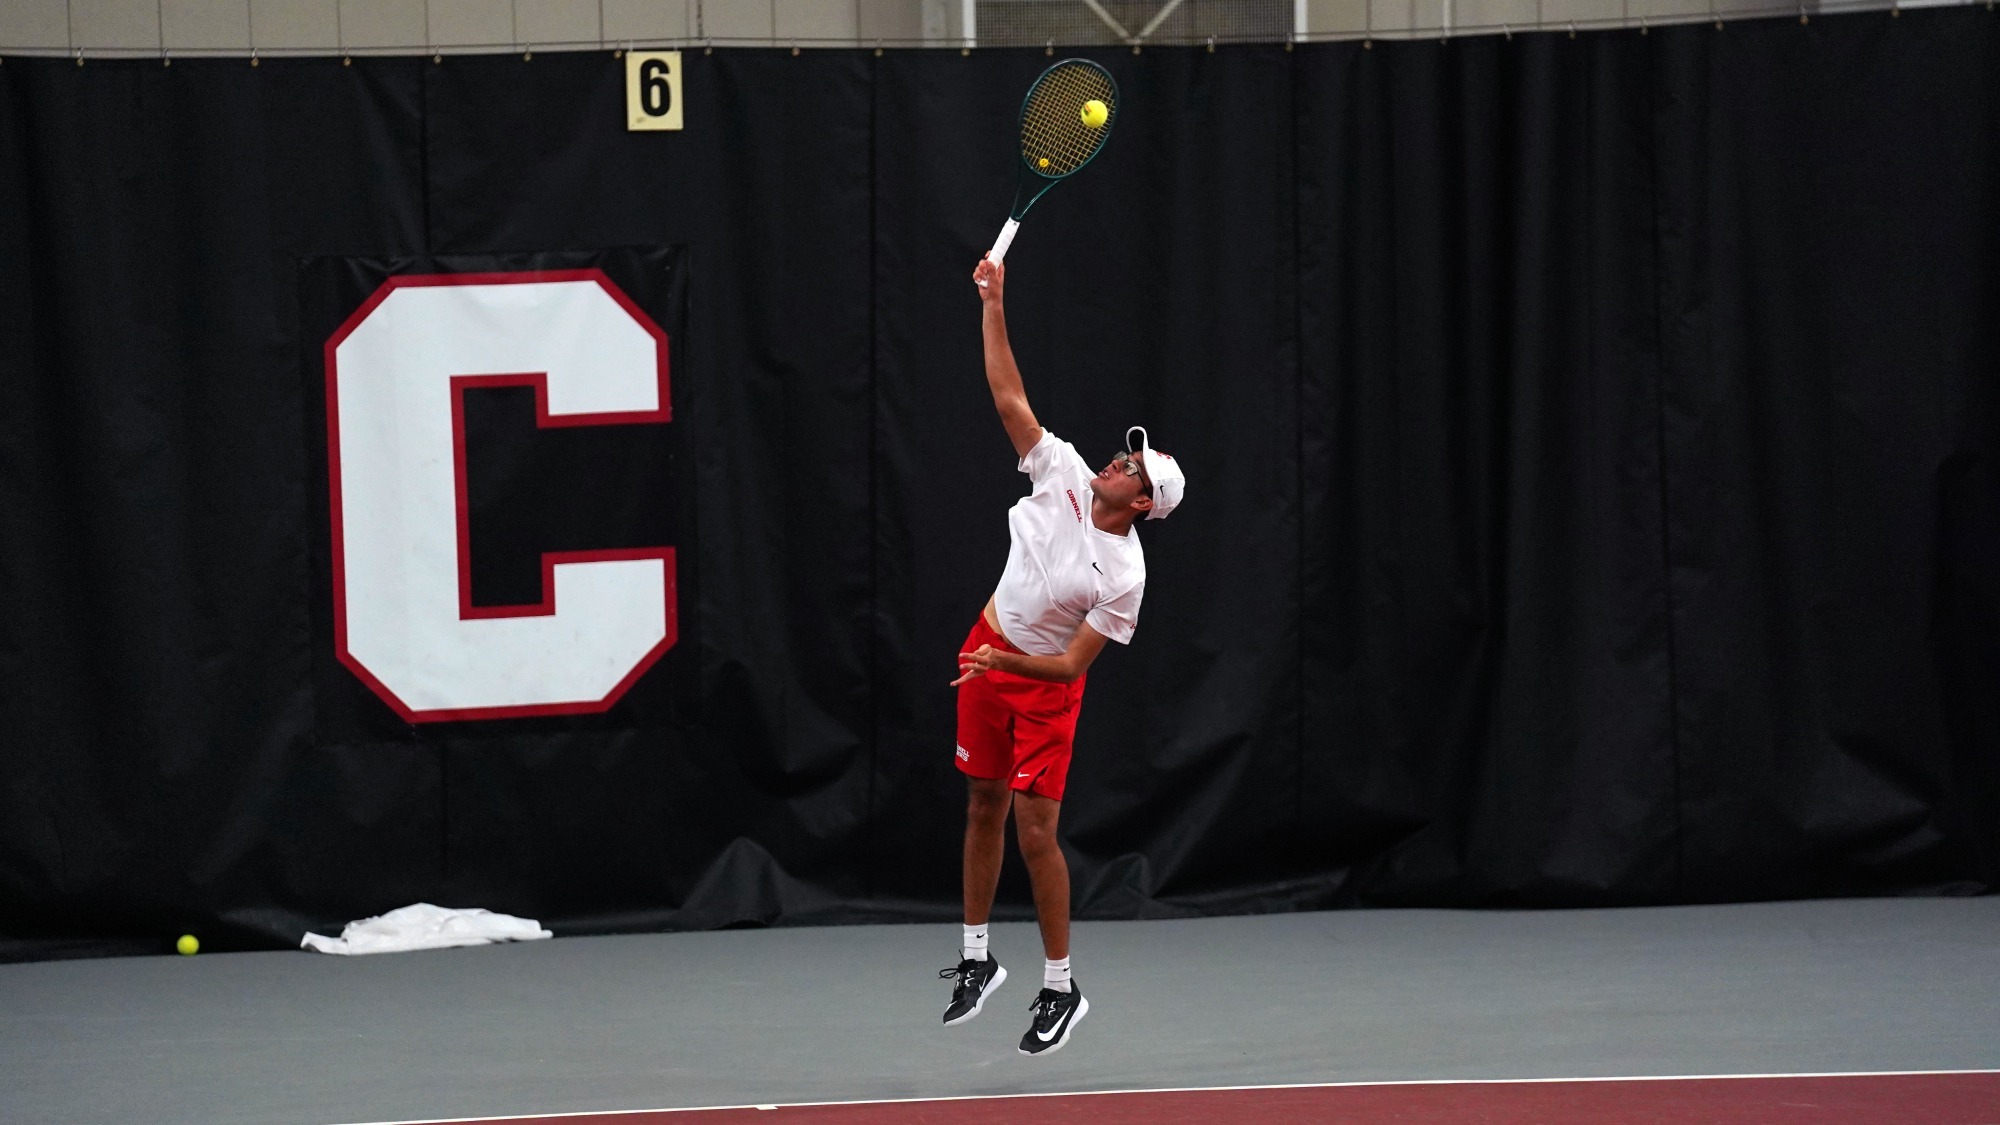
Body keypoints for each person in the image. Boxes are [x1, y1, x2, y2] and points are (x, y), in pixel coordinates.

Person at [938, 255, 1186, 1057]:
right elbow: (1008, 393)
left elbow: (1074, 666)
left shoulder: (1126, 574)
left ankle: (1059, 985)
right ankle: (977, 961)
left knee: (1036, 836)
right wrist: (993, 303)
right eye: (1125, 454)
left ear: (1143, 503)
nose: (1119, 461)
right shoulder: (1064, 470)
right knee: (981, 805)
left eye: (1134, 469)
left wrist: (1004, 666)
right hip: (988, 650)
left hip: (1038, 686)